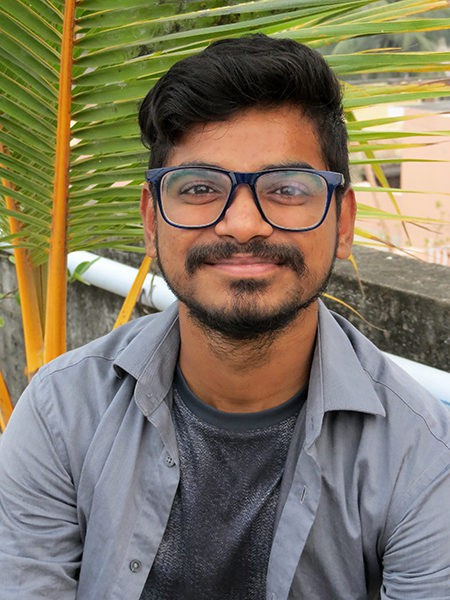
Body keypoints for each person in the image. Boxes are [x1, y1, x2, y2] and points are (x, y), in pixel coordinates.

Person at [0, 34, 449, 600]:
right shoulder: (62, 413)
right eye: (199, 188)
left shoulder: (421, 457)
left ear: (342, 222)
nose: (242, 224)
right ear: (151, 221)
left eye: (287, 188)